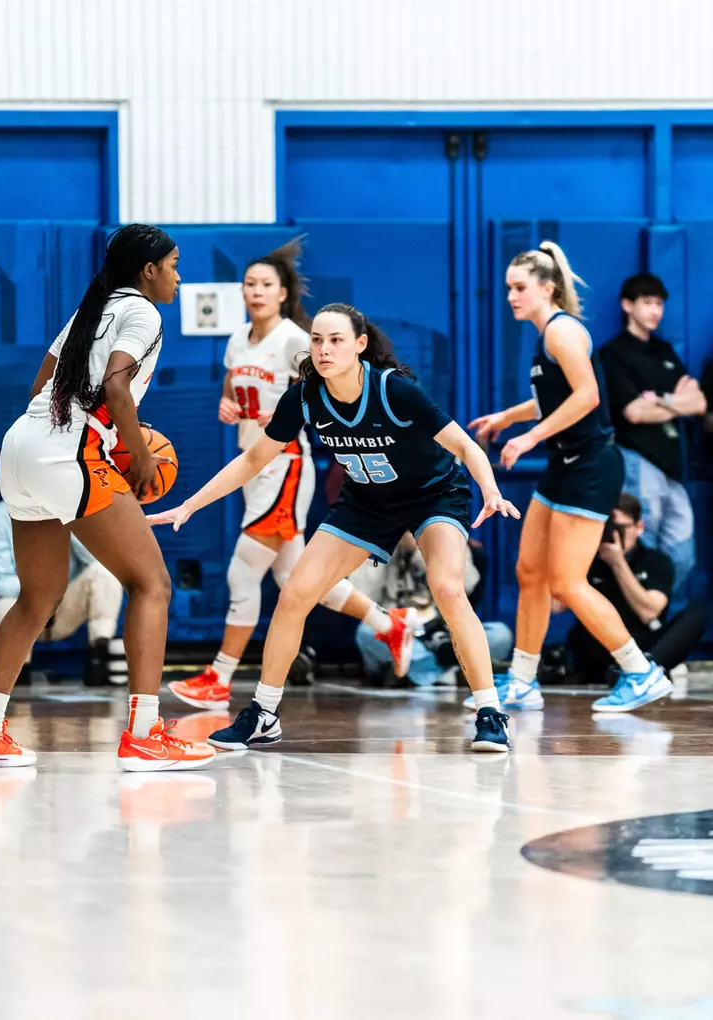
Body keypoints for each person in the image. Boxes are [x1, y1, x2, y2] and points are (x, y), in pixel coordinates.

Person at [151, 302, 520, 753]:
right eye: (317, 340)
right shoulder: (306, 396)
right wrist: (189, 505)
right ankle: (264, 713)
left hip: (432, 495)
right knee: (295, 594)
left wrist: (491, 490)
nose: (324, 350)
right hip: (365, 504)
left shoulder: (394, 390)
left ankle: (489, 712)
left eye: (336, 340)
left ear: (360, 345)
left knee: (447, 587)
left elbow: (464, 444)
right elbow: (252, 460)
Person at [0, 224, 215, 772]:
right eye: (172, 264)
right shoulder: (144, 313)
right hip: (67, 451)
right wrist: (138, 454)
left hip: (20, 445)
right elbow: (118, 389)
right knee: (151, 584)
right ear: (148, 271)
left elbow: (39, 389)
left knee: (37, 598)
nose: (176, 273)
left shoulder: (87, 312)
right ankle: (145, 735)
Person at [169, 241, 420, 711]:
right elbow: (233, 388)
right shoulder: (238, 338)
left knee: (242, 571)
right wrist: (228, 405)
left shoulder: (291, 340)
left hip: (285, 465)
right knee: (294, 579)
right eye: (250, 284)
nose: (256, 292)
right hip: (253, 466)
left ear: (283, 293)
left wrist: (291, 420)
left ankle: (219, 677)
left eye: (266, 285)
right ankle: (390, 624)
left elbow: (322, 387)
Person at [468, 241, 673, 715]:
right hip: (567, 464)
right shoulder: (547, 337)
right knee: (529, 573)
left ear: (548, 288)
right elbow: (554, 398)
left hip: (591, 466)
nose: (511, 297)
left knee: (566, 581)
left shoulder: (563, 332)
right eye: (507, 289)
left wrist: (529, 438)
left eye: (519, 288)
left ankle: (640, 672)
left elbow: (587, 396)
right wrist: (507, 417)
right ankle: (521, 681)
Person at [599, 273, 707, 594]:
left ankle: (659, 620)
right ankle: (635, 630)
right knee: (642, 546)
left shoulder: (665, 352)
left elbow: (699, 402)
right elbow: (633, 412)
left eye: (659, 304)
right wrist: (677, 403)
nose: (655, 311)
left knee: (683, 553)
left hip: (673, 467)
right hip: (637, 462)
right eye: (647, 303)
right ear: (627, 305)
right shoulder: (613, 354)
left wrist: (659, 400)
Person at [554, 493, 707, 685]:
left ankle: (645, 672)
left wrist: (618, 563)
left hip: (642, 645)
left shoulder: (655, 560)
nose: (614, 534)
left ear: (639, 527)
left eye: (621, 528)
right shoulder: (588, 560)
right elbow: (556, 606)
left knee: (697, 615)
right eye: (609, 528)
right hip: (596, 649)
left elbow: (649, 612)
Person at [0, 499, 125, 687]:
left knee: (104, 573)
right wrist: (40, 590)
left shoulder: (69, 508)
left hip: (64, 608)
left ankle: (98, 658)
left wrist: (69, 522)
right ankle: (18, 673)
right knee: (5, 604)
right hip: (24, 606)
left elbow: (96, 559)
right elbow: (0, 581)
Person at [353, 532, 513, 687]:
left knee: (500, 634)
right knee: (365, 631)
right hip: (398, 632)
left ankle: (412, 673)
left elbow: (467, 585)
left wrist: (419, 552)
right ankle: (451, 673)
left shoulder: (448, 535)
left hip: (443, 636)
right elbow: (361, 594)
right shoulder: (377, 543)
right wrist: (382, 547)